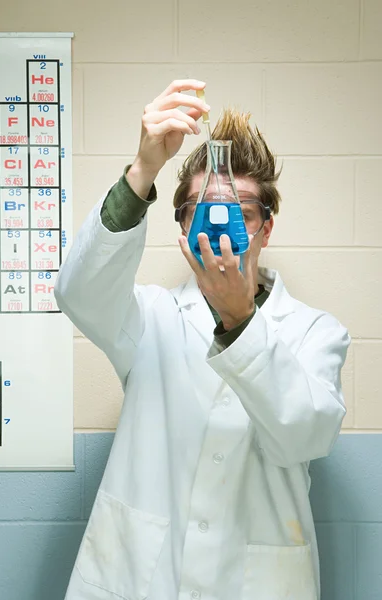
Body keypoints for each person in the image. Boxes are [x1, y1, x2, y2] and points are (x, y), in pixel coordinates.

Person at [55, 79, 350, 600]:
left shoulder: (314, 334)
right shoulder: (151, 317)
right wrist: (143, 169)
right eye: (201, 212)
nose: (221, 228)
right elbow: (78, 293)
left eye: (241, 212)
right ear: (183, 226)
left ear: (265, 229)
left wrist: (240, 319)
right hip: (142, 580)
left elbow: (306, 435)